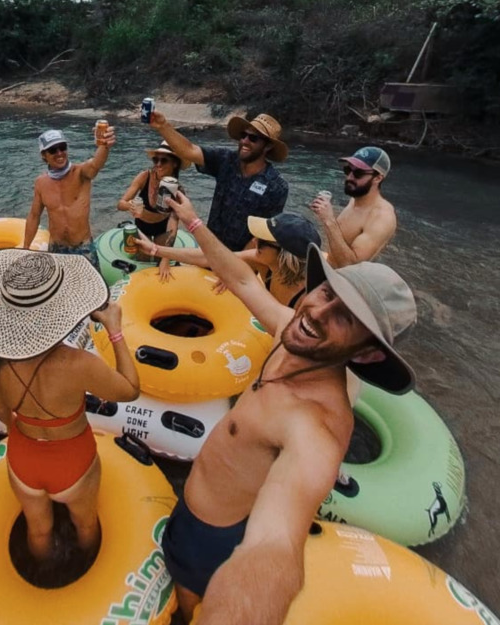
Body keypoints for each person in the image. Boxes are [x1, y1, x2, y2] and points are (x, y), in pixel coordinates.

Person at [160, 191, 417, 625]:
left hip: (219, 535)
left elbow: (274, 547)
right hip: (193, 503)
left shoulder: (316, 425)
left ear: (369, 354)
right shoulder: (289, 329)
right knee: (179, 580)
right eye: (327, 292)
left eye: (347, 318)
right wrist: (192, 221)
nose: (317, 311)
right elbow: (241, 280)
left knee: (190, 601)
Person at [0, 250, 139, 561]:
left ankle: (45, 577)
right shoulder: (76, 364)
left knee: (37, 530)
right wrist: (115, 331)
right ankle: (85, 570)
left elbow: (1, 415)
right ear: (59, 310)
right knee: (86, 523)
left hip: (23, 455)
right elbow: (130, 390)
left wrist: (24, 434)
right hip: (72, 458)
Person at [148, 111, 289, 251]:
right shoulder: (226, 160)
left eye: (253, 138)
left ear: (268, 146)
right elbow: (189, 151)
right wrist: (163, 126)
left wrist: (236, 264)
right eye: (243, 135)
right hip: (209, 251)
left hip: (242, 262)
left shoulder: (276, 186)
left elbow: (264, 235)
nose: (245, 141)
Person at [133, 212, 320, 308]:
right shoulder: (264, 262)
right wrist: (156, 250)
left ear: (284, 256)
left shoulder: (309, 298)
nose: (254, 241)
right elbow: (209, 257)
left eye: (262, 241)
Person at [24, 127, 116, 270]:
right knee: (59, 290)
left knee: (91, 289)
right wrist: (25, 247)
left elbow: (96, 163)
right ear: (44, 155)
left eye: (62, 147)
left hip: (83, 247)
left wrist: (104, 145)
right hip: (56, 249)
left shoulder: (81, 173)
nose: (59, 153)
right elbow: (34, 216)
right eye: (53, 150)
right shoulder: (40, 183)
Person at [309, 146, 396, 268]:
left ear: (378, 178)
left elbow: (350, 264)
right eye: (348, 170)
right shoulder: (355, 200)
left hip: (343, 282)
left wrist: (328, 220)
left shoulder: (382, 217)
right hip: (329, 267)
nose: (349, 177)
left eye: (358, 173)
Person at [117, 140, 187, 281]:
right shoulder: (144, 177)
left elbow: (173, 224)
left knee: (159, 262)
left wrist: (166, 259)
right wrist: (130, 206)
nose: (158, 164)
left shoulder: (178, 190)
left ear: (175, 163)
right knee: (143, 264)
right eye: (156, 159)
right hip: (142, 228)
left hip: (162, 229)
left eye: (164, 160)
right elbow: (120, 204)